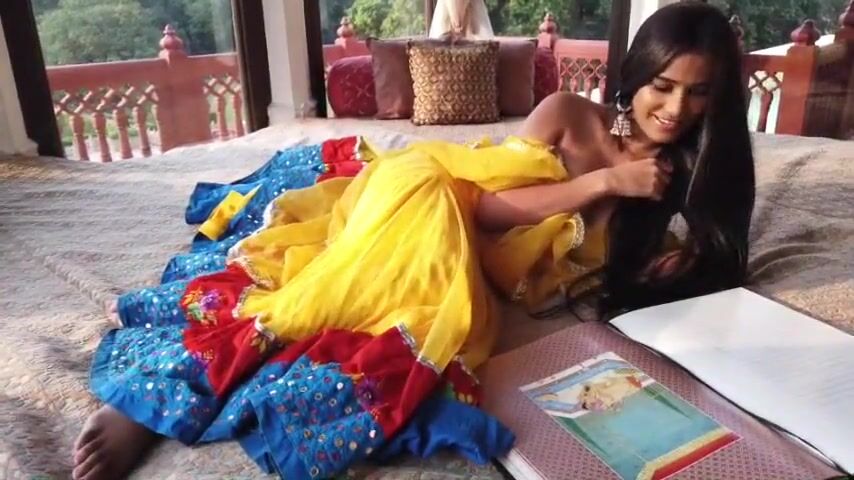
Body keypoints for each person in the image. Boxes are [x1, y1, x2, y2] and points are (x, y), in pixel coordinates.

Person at [71, 2, 754, 479]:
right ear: (635, 75)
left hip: (473, 270)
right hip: (437, 196)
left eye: (698, 94)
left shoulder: (687, 178)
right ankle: (164, 393)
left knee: (396, 305)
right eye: (662, 86)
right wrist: (603, 184)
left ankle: (200, 380)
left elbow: (701, 261)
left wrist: (675, 261)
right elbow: (482, 205)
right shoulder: (568, 115)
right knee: (385, 249)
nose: (675, 109)